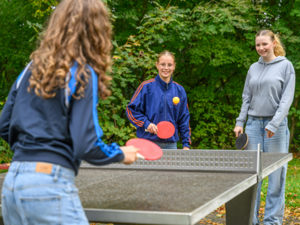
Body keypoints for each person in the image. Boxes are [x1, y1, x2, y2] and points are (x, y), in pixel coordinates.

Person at [0, 0, 138, 224]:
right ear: (96, 29)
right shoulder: (83, 72)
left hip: (12, 184)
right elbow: (86, 144)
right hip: (48, 184)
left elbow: (4, 125)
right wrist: (121, 154)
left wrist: (30, 153)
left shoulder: (30, 69)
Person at [234, 30, 295, 225]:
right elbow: (246, 97)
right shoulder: (253, 68)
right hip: (252, 126)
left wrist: (274, 123)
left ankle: (272, 221)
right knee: (252, 177)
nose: (260, 48)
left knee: (276, 177)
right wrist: (239, 122)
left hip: (275, 128)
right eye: (257, 45)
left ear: (273, 43)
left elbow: (286, 99)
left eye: (264, 44)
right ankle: (251, 221)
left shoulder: (286, 66)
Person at [126, 50, 191, 149]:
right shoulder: (146, 87)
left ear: (174, 67)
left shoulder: (180, 90)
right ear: (157, 65)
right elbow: (131, 110)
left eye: (169, 65)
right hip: (147, 143)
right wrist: (146, 123)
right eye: (162, 64)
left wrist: (186, 144)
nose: (166, 68)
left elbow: (184, 119)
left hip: (171, 145)